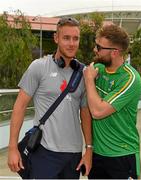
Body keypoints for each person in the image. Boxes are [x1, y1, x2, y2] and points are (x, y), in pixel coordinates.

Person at [8, 17, 92, 179]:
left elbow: (85, 113)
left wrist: (88, 149)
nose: (71, 43)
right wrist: (13, 148)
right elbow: (19, 107)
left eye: (75, 38)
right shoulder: (38, 67)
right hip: (44, 152)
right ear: (56, 38)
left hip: (73, 154)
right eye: (66, 38)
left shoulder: (84, 73)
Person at [83, 23, 141, 179]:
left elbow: (97, 112)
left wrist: (89, 81)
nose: (95, 50)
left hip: (122, 156)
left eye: (99, 47)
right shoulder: (98, 69)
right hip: (98, 156)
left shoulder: (130, 79)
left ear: (115, 52)